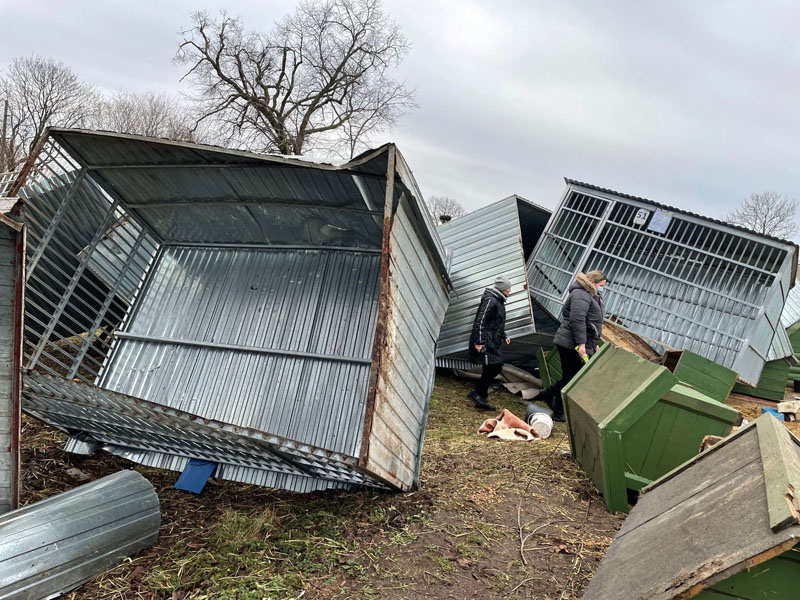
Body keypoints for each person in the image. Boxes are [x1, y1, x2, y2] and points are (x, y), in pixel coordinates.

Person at [536, 270, 607, 422]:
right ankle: (554, 403)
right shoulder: (581, 294)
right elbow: (578, 320)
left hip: (576, 342)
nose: (602, 289)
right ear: (593, 282)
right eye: (601, 285)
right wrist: (581, 344)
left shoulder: (591, 295)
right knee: (572, 377)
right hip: (570, 343)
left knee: (572, 376)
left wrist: (593, 345)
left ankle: (552, 399)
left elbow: (592, 323)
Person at [467, 275, 512, 410]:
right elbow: (480, 321)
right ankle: (478, 394)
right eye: (508, 288)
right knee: (494, 367)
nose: (510, 290)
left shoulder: (498, 301)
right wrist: (479, 342)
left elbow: (496, 322)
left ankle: (480, 394)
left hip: (493, 340)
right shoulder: (490, 300)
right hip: (486, 341)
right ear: (502, 288)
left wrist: (504, 336)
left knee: (492, 367)